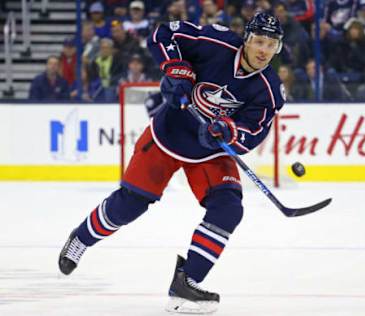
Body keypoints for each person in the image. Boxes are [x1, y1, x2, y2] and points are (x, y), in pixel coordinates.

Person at [58, 12, 285, 314]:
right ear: (246, 39)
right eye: (259, 41)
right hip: (167, 135)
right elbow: (162, 33)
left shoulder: (269, 89)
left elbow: (252, 133)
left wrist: (228, 131)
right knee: (130, 204)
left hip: (209, 151)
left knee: (228, 208)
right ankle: (81, 238)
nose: (263, 50)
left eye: (271, 45)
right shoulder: (215, 42)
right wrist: (176, 69)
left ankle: (186, 282)